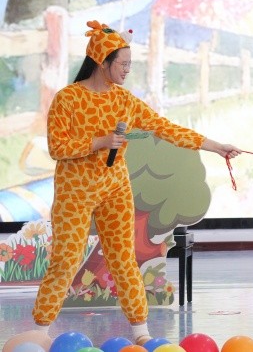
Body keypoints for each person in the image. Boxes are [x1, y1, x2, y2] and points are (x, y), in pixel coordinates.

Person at [22, 21, 241, 345]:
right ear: (102, 62)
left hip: (115, 189)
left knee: (124, 259)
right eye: (123, 64)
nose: (127, 70)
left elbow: (165, 127)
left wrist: (215, 146)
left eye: (129, 64)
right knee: (65, 260)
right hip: (75, 192)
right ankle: (40, 331)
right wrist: (100, 142)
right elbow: (57, 148)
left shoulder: (124, 100)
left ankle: (141, 333)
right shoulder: (67, 99)